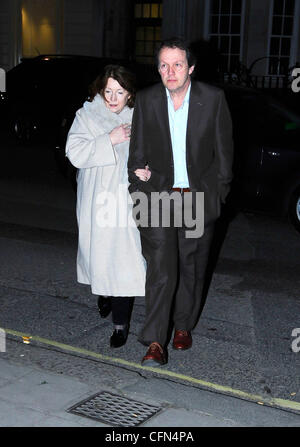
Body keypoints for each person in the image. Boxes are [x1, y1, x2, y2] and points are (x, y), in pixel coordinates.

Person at [128, 38, 233, 366]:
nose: (169, 71)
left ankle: (184, 324)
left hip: (196, 198)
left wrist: (216, 197)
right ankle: (156, 340)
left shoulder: (212, 99)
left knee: (191, 267)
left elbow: (224, 157)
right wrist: (137, 179)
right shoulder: (146, 100)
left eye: (176, 65)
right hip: (157, 196)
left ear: (190, 68)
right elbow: (137, 154)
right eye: (163, 65)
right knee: (161, 268)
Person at [66, 65, 145, 348]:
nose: (113, 98)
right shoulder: (87, 116)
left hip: (126, 202)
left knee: (124, 262)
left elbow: (151, 156)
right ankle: (105, 292)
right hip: (96, 200)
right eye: (108, 91)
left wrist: (146, 172)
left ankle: (120, 326)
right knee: (102, 258)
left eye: (119, 92)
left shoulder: (140, 119)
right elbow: (74, 153)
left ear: (129, 94)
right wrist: (108, 140)